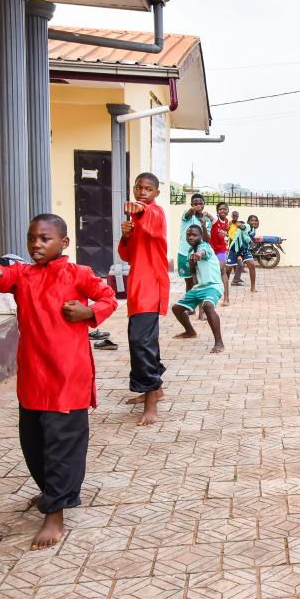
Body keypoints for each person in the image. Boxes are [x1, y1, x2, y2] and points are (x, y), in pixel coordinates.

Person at [0, 214, 117, 550]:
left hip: (68, 378)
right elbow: (1, 276)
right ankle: (51, 490)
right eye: (32, 238)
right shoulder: (23, 275)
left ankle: (55, 514)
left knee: (63, 447)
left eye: (45, 239)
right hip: (33, 377)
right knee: (34, 444)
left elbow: (107, 296)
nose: (36, 245)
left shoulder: (77, 274)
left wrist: (89, 313)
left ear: (63, 243)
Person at [118, 172, 169, 426]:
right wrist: (126, 235)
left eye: (148, 189)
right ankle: (155, 390)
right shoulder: (135, 219)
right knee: (144, 341)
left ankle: (151, 402)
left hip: (151, 287)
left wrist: (139, 210)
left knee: (141, 342)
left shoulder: (155, 214)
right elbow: (127, 255)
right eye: (138, 187)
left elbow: (151, 217)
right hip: (137, 288)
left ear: (156, 193)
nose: (142, 192)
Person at [172, 224, 224, 353]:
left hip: (213, 285)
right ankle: (190, 331)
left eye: (194, 235)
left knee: (208, 306)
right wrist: (192, 263)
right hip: (199, 287)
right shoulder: (190, 251)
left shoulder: (204, 246)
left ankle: (219, 343)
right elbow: (194, 272)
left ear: (201, 236)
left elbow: (202, 253)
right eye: (188, 235)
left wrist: (198, 255)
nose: (190, 237)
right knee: (176, 308)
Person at [177, 193, 213, 293]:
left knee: (200, 282)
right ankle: (190, 307)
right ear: (191, 204)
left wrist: (204, 226)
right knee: (189, 282)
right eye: (195, 204)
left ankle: (201, 308)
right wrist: (194, 209)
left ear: (204, 204)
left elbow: (206, 240)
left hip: (200, 255)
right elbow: (189, 213)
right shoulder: (188, 215)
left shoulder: (207, 220)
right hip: (184, 254)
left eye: (200, 203)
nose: (198, 206)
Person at [209, 201, 231, 307]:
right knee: (223, 273)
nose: (222, 210)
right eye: (220, 209)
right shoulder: (215, 218)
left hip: (222, 251)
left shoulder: (226, 221)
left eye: (224, 209)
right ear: (217, 211)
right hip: (211, 250)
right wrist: (205, 214)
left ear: (227, 211)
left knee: (217, 271)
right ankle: (226, 299)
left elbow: (225, 234)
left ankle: (221, 297)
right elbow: (209, 216)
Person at [225, 220, 256, 294]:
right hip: (235, 249)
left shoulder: (253, 230)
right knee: (228, 270)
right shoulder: (247, 226)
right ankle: (224, 288)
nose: (254, 222)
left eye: (256, 221)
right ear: (248, 222)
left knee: (251, 264)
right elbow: (242, 227)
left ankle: (253, 287)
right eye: (253, 220)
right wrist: (239, 225)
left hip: (244, 250)